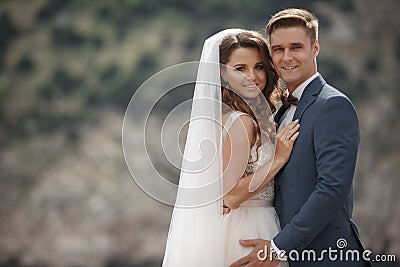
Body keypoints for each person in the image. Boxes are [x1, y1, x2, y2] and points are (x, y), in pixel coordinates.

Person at [230, 8, 372, 267]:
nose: (287, 57)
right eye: (278, 49)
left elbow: (331, 190)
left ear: (315, 48)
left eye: (296, 47)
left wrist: (277, 248)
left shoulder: (333, 105)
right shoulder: (280, 111)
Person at [162, 29, 299, 267]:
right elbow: (231, 196)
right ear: (223, 75)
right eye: (240, 69)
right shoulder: (241, 121)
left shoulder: (230, 116)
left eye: (258, 66)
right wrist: (277, 159)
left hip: (238, 226)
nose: (252, 76)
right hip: (247, 230)